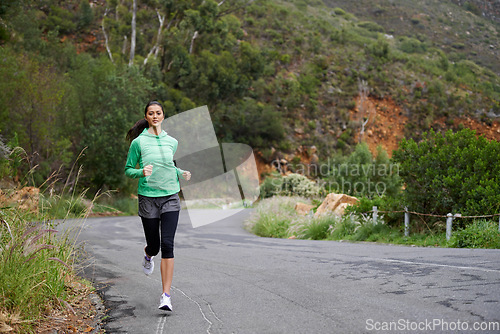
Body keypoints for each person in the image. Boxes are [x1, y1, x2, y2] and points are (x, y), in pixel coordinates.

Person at [125, 100, 191, 311]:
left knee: (168, 245)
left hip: (171, 196)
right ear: (146, 117)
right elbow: (128, 169)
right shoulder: (139, 143)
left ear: (163, 116)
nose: (155, 116)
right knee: (154, 245)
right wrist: (140, 172)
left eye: (158, 113)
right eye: (151, 113)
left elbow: (169, 164)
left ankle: (166, 296)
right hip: (148, 197)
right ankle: (148, 253)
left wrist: (182, 173)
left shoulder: (172, 141)